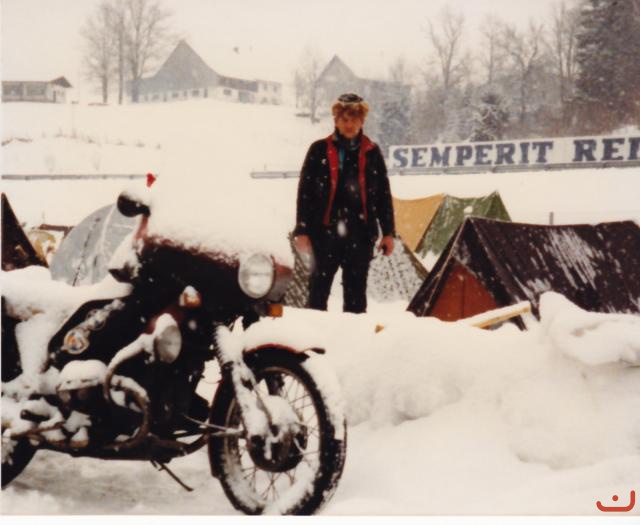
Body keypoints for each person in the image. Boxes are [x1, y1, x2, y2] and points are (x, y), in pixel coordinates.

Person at [293, 93, 395, 313]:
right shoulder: (318, 150)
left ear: (362, 121)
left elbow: (383, 195)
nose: (349, 125)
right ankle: (313, 334)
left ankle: (354, 335)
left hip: (360, 234)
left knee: (356, 300)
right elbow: (305, 193)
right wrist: (302, 230)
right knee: (317, 295)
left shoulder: (372, 152)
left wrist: (388, 232)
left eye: (354, 120)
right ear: (336, 121)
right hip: (324, 233)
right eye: (345, 119)